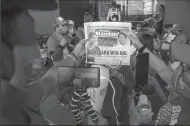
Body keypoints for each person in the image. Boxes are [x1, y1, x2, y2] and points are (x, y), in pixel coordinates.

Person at [0, 0, 102, 125]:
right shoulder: (52, 40)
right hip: (65, 73)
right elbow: (53, 60)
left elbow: (50, 79)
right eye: (26, 38)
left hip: (70, 70)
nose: (65, 27)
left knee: (93, 81)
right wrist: (61, 47)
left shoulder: (25, 97)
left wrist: (75, 53)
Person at [128, 31, 190, 125]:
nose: (180, 69)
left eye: (187, 67)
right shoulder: (183, 86)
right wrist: (140, 46)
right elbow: (161, 68)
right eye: (183, 65)